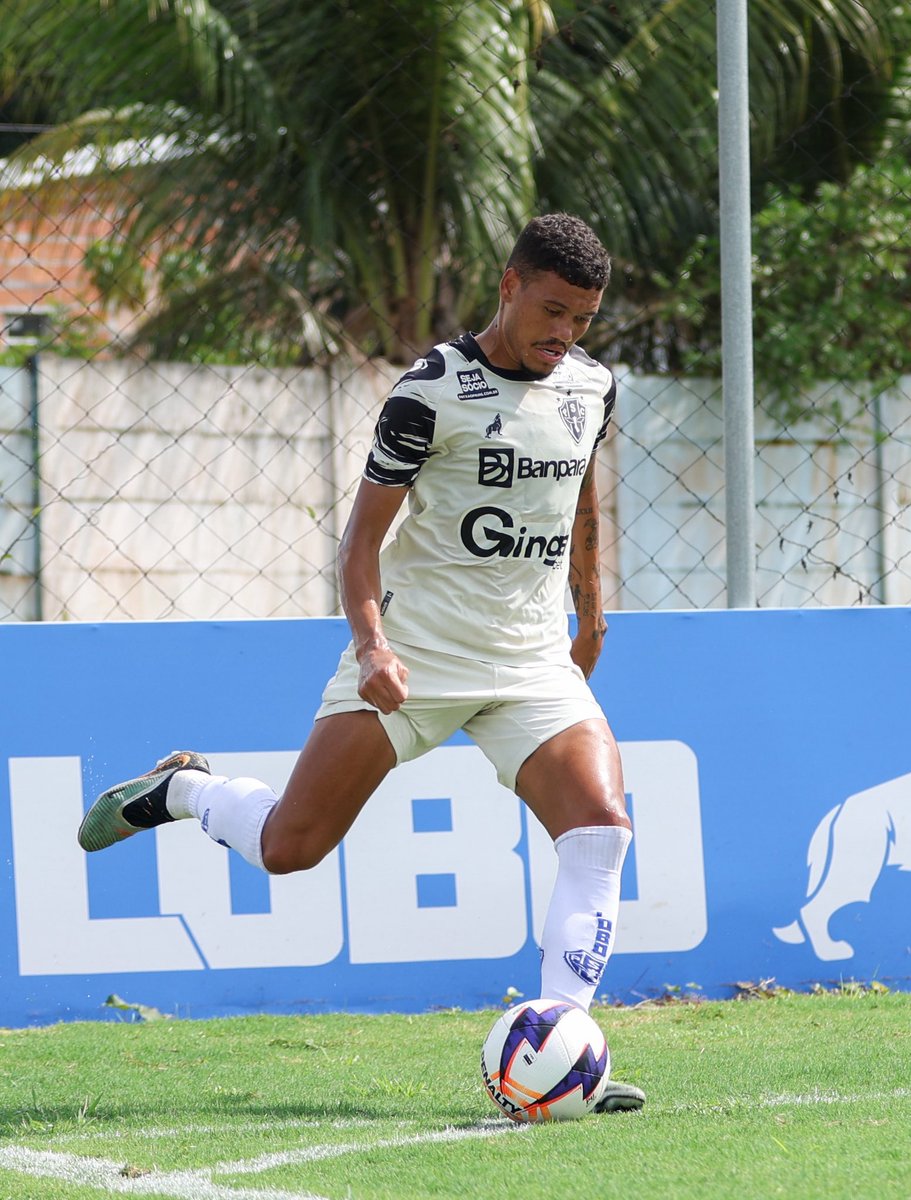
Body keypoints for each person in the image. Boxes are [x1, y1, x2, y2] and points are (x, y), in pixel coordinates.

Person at [78, 212, 644, 1114]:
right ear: (508, 284)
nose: (564, 335)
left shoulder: (591, 388)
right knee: (290, 848)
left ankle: (560, 1050)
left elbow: (580, 497)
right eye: (551, 311)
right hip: (416, 656)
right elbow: (360, 541)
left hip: (534, 661)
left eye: (582, 319)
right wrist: (373, 643)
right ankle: (183, 789)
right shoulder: (430, 392)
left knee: (600, 829)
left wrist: (593, 611)